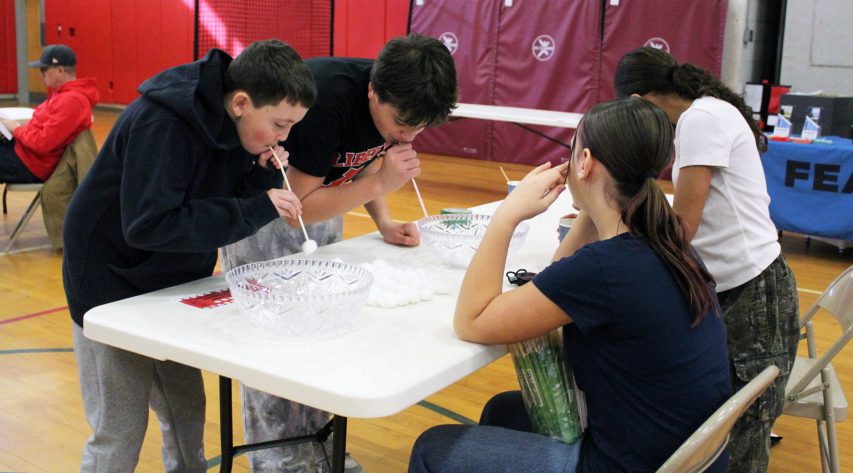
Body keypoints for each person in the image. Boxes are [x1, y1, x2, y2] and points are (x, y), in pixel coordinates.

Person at [408, 97, 732, 472]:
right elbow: (557, 279)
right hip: (687, 456)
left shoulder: (605, 269)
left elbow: (472, 320)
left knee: (432, 448)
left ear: (585, 162)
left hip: (625, 463)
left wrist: (507, 215)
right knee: (503, 409)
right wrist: (592, 207)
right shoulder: (666, 241)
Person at [62, 39, 315, 473]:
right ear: (240, 102)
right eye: (278, 123)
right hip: (109, 283)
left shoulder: (239, 129)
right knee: (119, 427)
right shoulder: (161, 124)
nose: (282, 137)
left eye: (290, 127)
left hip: (169, 282)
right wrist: (255, 207)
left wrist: (257, 178)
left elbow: (211, 196)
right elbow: (149, 224)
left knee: (185, 409)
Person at [219, 33, 458, 472]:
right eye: (403, 122)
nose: (407, 134)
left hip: (321, 206)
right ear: (372, 90)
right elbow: (296, 211)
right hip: (265, 216)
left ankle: (319, 446)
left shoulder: (395, 98)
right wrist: (380, 184)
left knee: (322, 339)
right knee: (273, 350)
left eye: (420, 127)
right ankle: (277, 460)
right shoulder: (329, 101)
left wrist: (383, 218)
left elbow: (363, 162)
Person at [614, 46, 800, 473]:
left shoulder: (701, 119)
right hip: (748, 284)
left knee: (741, 432)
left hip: (753, 292)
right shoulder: (703, 113)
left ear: (639, 102)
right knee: (728, 424)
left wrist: (617, 234)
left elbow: (683, 226)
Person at [0, 44, 98, 183]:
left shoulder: (71, 101)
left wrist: (16, 128)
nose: (41, 74)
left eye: (44, 69)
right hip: (26, 153)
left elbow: (43, 143)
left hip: (31, 163)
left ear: (59, 70)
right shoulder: (63, 95)